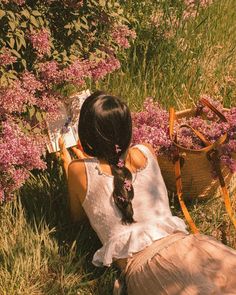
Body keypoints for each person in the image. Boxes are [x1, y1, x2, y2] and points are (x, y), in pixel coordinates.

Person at [59, 91, 236, 295]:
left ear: (86, 133)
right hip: (191, 247)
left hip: (151, 270)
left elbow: (77, 218)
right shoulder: (145, 151)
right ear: (127, 129)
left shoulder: (78, 170)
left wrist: (72, 170)